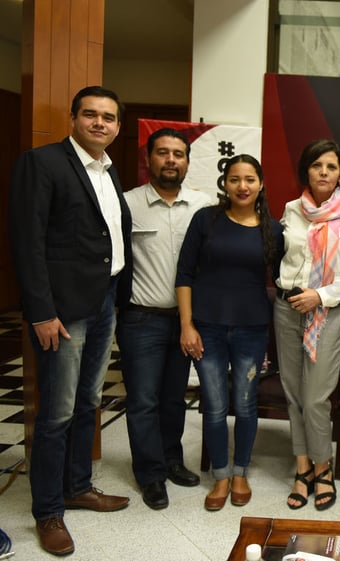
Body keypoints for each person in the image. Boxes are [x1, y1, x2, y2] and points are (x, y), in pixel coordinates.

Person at [8, 85, 132, 556]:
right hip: (62, 312)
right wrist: (40, 311)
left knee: (88, 403)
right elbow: (27, 242)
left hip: (104, 303)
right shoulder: (43, 163)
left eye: (109, 117)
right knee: (56, 412)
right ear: (74, 118)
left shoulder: (107, 169)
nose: (100, 123)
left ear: (118, 126)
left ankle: (78, 486)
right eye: (91, 115)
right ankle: (47, 511)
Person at [175, 154, 283, 511]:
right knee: (216, 405)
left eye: (250, 179)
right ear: (225, 183)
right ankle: (220, 475)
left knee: (246, 404)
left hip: (252, 328)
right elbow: (185, 274)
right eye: (235, 179)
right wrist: (186, 325)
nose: (242, 186)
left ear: (261, 184)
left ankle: (240, 472)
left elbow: (288, 276)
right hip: (208, 327)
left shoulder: (273, 229)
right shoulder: (206, 220)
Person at [116, 128, 213, 510]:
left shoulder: (203, 206)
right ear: (148, 159)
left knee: (174, 398)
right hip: (142, 319)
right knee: (142, 400)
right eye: (163, 153)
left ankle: (172, 460)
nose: (171, 160)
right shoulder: (127, 204)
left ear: (188, 161)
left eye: (178, 154)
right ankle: (150, 474)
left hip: (187, 320)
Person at [274, 139, 340, 511]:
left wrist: (321, 295)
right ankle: (302, 469)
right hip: (287, 309)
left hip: (329, 311)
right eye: (317, 166)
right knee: (294, 394)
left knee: (315, 398)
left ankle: (323, 468)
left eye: (331, 166)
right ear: (306, 171)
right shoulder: (290, 210)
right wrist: (300, 294)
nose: (324, 172)